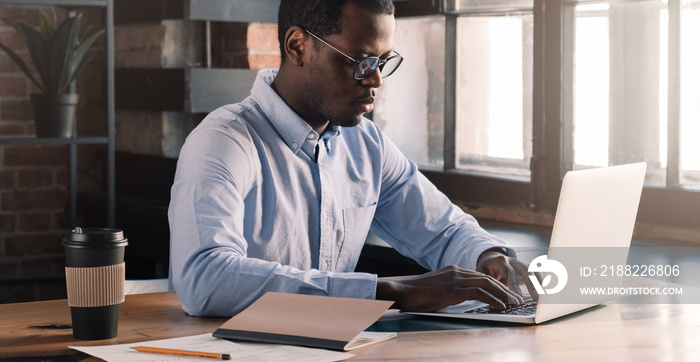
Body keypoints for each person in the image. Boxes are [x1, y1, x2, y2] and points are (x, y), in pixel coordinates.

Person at [168, 0, 537, 317]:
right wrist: (392, 293)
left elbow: (442, 228)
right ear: (298, 46)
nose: (375, 80)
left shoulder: (366, 144)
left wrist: (486, 256)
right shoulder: (225, 141)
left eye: (383, 61)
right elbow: (206, 279)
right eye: (360, 61)